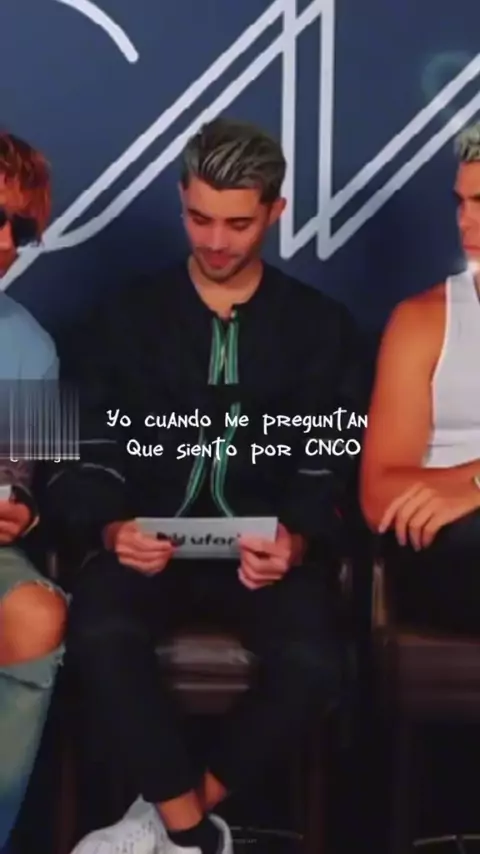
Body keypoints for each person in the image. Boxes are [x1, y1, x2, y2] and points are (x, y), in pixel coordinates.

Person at [48, 118, 365, 854]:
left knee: (317, 661)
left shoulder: (323, 326)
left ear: (276, 212)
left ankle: (166, 822)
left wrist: (297, 540)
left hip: (264, 561)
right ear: (181, 201)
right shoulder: (118, 315)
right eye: (198, 218)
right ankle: (195, 839)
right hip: (143, 550)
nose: (216, 242)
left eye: (237, 224)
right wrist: (111, 527)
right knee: (99, 631)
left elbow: (332, 458)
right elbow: (77, 448)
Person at [360, 120, 480, 633]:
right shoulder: (424, 320)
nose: (465, 222)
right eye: (461, 202)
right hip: (452, 551)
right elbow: (379, 497)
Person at [0, 132, 67, 850]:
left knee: (36, 613)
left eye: (19, 229)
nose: (4, 243)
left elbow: (22, 482)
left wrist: (21, 511)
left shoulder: (32, 345)